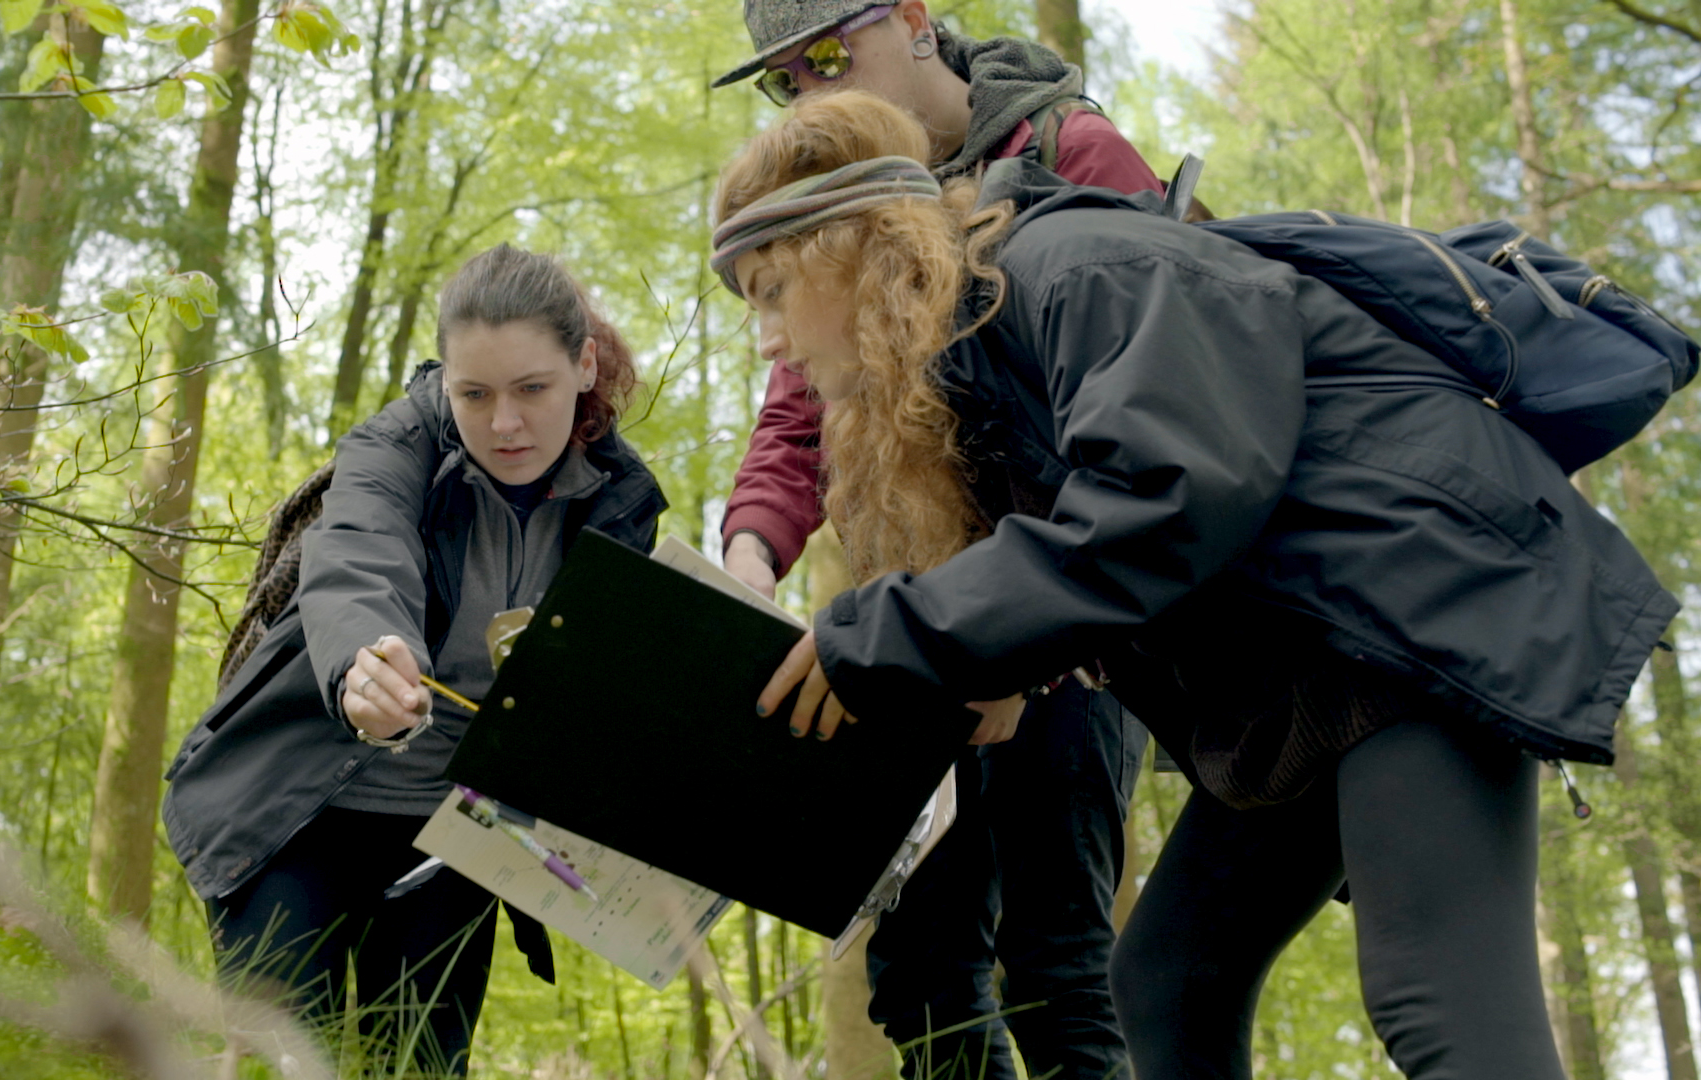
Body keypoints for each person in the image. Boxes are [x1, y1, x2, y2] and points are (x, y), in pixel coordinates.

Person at [715, 91, 1676, 1080]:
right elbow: (1092, 549)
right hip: (1299, 671)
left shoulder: (1073, 265)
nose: (770, 341)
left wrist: (888, 633)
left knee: (1439, 1002)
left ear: (853, 246)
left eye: (773, 288)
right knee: (1169, 984)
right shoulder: (978, 362)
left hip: (1414, 612)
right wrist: (1010, 661)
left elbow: (1168, 495)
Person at [713, 5, 1164, 1077]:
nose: (812, 88)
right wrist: (744, 564)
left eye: (828, 54)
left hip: (1072, 626)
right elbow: (795, 415)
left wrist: (1020, 642)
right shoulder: (823, 195)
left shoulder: (1070, 153)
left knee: (1055, 962)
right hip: (912, 623)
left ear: (913, 19)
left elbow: (1141, 429)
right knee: (919, 969)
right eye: (785, 77)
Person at [161, 245, 663, 1075]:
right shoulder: (393, 449)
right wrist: (368, 657)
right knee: (281, 1056)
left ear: (583, 366)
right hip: (294, 808)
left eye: (531, 390)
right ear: (446, 384)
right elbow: (358, 552)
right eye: (475, 394)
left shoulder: (620, 501)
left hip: (452, 833)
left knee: (423, 1063)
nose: (504, 423)